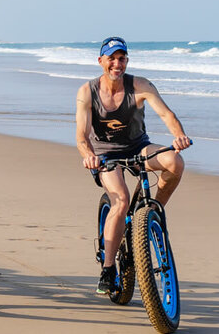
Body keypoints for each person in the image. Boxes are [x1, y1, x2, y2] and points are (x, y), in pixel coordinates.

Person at [76, 36, 190, 293]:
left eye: (122, 58)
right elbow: (81, 136)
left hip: (139, 147)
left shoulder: (140, 85)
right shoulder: (87, 92)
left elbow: (166, 114)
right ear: (101, 61)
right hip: (105, 155)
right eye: (112, 59)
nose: (117, 64)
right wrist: (88, 154)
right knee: (121, 200)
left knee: (174, 162)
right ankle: (108, 270)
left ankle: (153, 213)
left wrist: (178, 135)